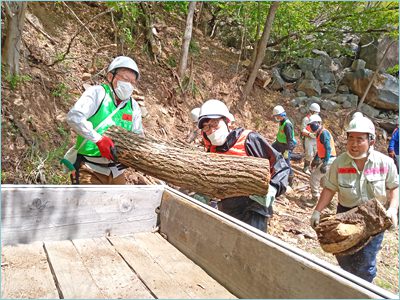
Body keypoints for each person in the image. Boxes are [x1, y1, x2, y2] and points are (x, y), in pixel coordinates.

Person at [310, 116, 399, 283]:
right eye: (351, 138)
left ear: (371, 141)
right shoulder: (339, 163)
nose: (354, 144)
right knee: (343, 256)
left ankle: (364, 289)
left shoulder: (385, 163)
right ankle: (347, 285)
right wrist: (317, 211)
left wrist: (393, 209)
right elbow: (330, 188)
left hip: (374, 217)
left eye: (360, 139)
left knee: (365, 262)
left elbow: (394, 187)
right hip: (346, 215)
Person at [197, 99, 290, 232]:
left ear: (227, 121)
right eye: (206, 127)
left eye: (215, 123)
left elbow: (280, 164)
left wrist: (274, 187)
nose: (211, 130)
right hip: (228, 208)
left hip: (255, 207)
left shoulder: (249, 140)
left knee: (251, 246)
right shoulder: (212, 150)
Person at [66, 56, 144, 184]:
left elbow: (138, 136)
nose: (129, 85)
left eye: (132, 82)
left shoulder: (133, 106)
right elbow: (74, 117)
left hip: (116, 173)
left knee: (121, 203)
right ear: (110, 76)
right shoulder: (98, 93)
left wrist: (132, 157)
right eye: (125, 79)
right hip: (89, 167)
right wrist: (98, 139)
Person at [304, 114, 336, 207]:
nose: (311, 127)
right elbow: (321, 149)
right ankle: (329, 202)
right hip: (327, 159)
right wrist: (315, 160)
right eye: (310, 125)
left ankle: (315, 199)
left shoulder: (323, 133)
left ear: (318, 123)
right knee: (324, 182)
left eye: (313, 124)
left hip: (329, 160)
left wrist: (325, 163)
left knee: (314, 178)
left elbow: (328, 148)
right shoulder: (319, 134)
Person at [271, 105, 296, 186]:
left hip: (286, 146)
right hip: (279, 143)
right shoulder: (281, 121)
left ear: (280, 115)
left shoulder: (287, 125)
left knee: (286, 162)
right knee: (270, 151)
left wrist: (287, 151)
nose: (276, 118)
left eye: (276, 116)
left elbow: (290, 139)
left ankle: (290, 179)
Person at [301, 103, 320, 174]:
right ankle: (306, 167)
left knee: (317, 153)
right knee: (309, 153)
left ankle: (314, 168)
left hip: (316, 138)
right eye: (316, 112)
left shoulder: (318, 119)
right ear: (312, 111)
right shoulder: (306, 119)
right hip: (308, 138)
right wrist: (309, 134)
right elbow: (302, 130)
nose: (317, 114)